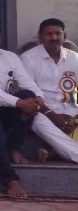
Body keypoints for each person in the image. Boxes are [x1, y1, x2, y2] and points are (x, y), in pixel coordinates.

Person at [0, 18, 76, 172]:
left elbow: (27, 83)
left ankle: (49, 152)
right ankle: (12, 161)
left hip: (16, 108)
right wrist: (27, 105)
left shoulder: (10, 57)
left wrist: (38, 100)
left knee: (28, 94)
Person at [21, 18, 78, 162]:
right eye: (49, 34)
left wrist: (75, 116)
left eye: (58, 33)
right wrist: (53, 116)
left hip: (72, 111)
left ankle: (53, 153)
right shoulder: (28, 59)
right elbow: (28, 93)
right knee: (36, 121)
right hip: (42, 112)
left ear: (64, 36)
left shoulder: (75, 58)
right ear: (40, 37)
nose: (54, 37)